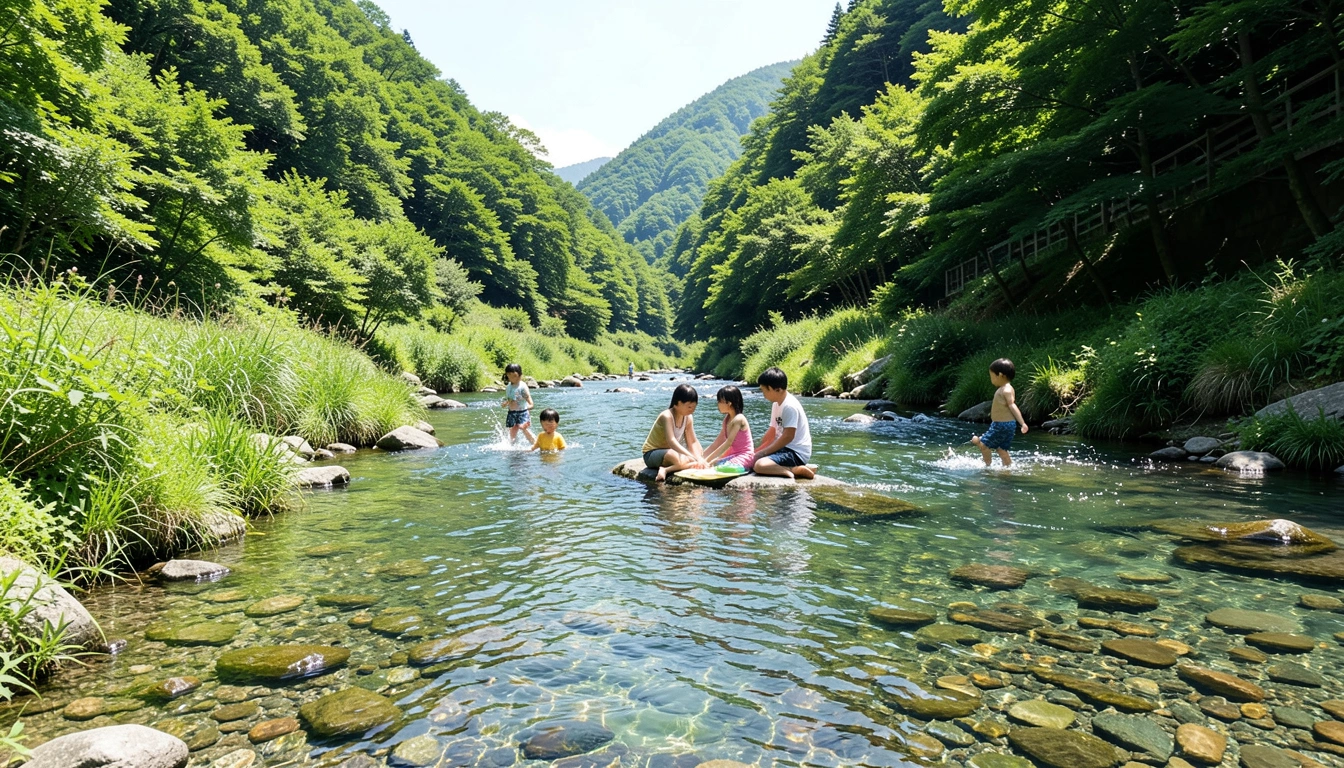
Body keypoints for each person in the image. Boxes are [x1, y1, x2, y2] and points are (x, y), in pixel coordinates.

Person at [753, 367, 815, 479]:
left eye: (764, 390)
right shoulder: (776, 404)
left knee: (759, 465)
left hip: (796, 452)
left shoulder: (789, 406)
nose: (763, 394)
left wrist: (763, 453)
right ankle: (796, 468)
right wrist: (756, 450)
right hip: (785, 449)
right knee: (754, 459)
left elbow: (788, 437)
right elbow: (771, 433)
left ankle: (793, 469)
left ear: (777, 389)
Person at [971, 358, 1029, 467]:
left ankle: (987, 467)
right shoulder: (1005, 389)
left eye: (992, 376)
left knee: (983, 445)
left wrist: (1022, 423)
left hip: (1002, 425)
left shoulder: (1005, 390)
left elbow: (1012, 406)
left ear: (1001, 375)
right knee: (1002, 449)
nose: (991, 379)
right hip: (1007, 425)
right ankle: (1008, 469)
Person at [642, 383, 705, 482]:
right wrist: (690, 456)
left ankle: (668, 469)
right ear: (678, 403)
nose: (692, 410)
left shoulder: (688, 417)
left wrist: (698, 458)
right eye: (689, 407)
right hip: (652, 454)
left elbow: (692, 441)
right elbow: (671, 441)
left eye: (694, 407)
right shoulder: (667, 416)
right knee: (677, 456)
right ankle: (667, 469)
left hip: (672, 452)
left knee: (699, 452)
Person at [701, 385, 754, 471]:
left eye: (719, 401)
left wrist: (707, 460)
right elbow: (717, 442)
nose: (717, 404)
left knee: (719, 468)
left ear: (729, 403)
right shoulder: (727, 419)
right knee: (714, 464)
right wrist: (702, 458)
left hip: (744, 457)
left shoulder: (739, 419)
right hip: (733, 456)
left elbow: (728, 443)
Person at [501, 363, 535, 445]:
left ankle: (536, 444)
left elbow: (531, 403)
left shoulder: (522, 387)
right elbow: (510, 399)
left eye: (514, 376)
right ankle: (512, 448)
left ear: (520, 375)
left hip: (522, 412)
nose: (511, 378)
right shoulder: (509, 386)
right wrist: (505, 403)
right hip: (512, 412)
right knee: (512, 431)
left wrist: (527, 410)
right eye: (509, 375)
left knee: (523, 428)